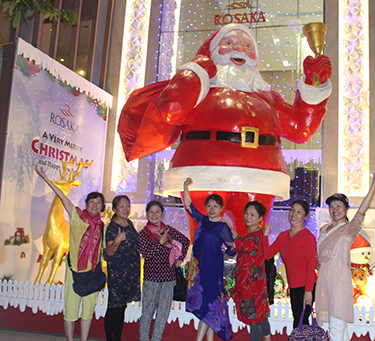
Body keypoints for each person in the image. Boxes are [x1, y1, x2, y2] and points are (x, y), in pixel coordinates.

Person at [118, 23, 333, 237]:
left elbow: (300, 130)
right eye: (229, 43)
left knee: (252, 240)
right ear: (212, 52)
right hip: (204, 172)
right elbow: (172, 109)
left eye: (248, 46)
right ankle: (199, 270)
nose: (239, 50)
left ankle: (251, 272)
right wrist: (196, 69)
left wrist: (314, 85)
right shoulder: (201, 87)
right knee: (203, 238)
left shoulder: (268, 96)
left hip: (259, 174)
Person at [35, 164, 105, 341]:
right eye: (92, 202)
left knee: (88, 310)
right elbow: (61, 196)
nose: (95, 205)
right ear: (87, 204)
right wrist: (46, 179)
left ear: (102, 206)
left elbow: (102, 251)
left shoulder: (101, 225)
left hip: (92, 272)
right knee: (71, 309)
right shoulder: (77, 216)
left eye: (99, 202)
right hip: (74, 270)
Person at [316, 169, 375, 341]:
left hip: (339, 285)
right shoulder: (324, 229)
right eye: (331, 206)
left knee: (335, 329)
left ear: (346, 208)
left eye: (339, 206)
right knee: (341, 330)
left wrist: (374, 185)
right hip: (324, 283)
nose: (334, 210)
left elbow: (362, 211)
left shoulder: (349, 229)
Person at [183, 177, 235, 341]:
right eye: (209, 205)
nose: (212, 209)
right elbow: (188, 205)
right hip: (198, 273)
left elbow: (232, 249)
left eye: (216, 206)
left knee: (209, 306)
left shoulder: (222, 227)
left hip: (212, 272)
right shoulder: (202, 220)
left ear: (221, 209)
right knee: (207, 307)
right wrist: (185, 187)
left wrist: (220, 256)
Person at [138, 200, 190, 341]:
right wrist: (161, 243)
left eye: (157, 211)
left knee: (162, 314)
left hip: (168, 279)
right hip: (151, 280)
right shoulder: (143, 234)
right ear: (147, 213)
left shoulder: (168, 230)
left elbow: (185, 241)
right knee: (147, 314)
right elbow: (147, 255)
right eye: (151, 211)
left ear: (162, 213)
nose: (154, 215)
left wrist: (181, 259)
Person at [263, 200, 317, 329]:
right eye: (292, 210)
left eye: (299, 212)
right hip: (293, 286)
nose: (294, 214)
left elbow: (311, 265)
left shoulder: (308, 237)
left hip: (307, 285)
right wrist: (265, 234)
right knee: (299, 322)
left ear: (305, 216)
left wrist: (309, 291)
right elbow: (267, 254)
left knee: (300, 323)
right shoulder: (283, 236)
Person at [104, 195, 141, 341]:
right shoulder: (113, 228)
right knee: (113, 308)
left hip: (130, 272)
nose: (125, 209)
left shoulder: (129, 224)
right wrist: (118, 240)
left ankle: (117, 338)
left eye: (127, 206)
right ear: (114, 209)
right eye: (121, 206)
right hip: (118, 273)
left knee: (121, 308)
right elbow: (109, 252)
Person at [233, 201, 271, 341]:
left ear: (261, 218)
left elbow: (243, 246)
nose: (248, 217)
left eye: (253, 214)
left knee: (253, 319)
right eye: (247, 213)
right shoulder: (252, 234)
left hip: (251, 285)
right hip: (253, 283)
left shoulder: (255, 236)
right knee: (261, 317)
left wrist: (232, 232)